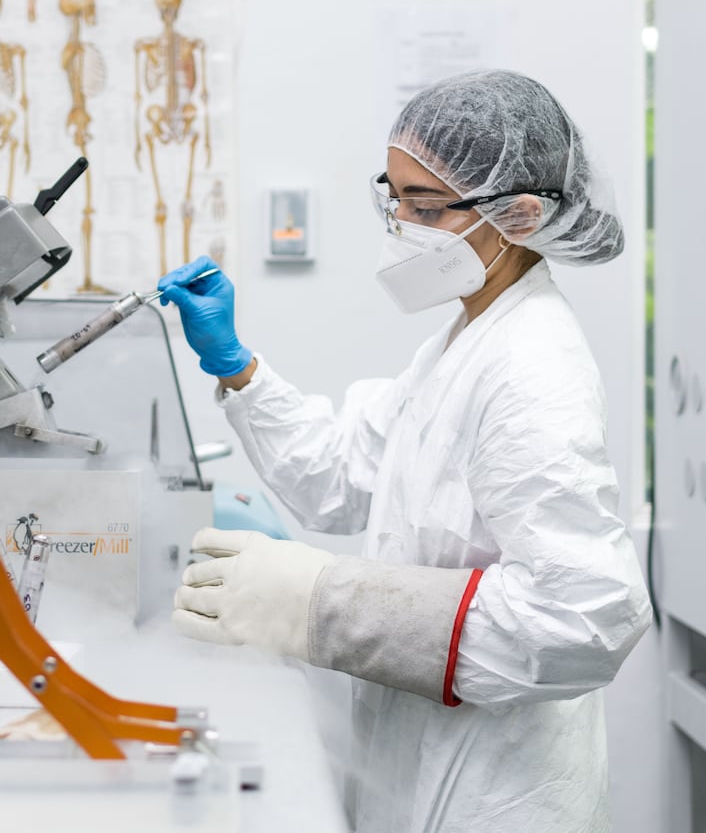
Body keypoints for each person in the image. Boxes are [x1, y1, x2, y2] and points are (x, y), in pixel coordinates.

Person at [160, 70, 652, 832]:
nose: (402, 226)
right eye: (394, 200)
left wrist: (323, 604)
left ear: (518, 215)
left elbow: (583, 616)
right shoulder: (462, 343)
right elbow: (338, 476)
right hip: (422, 763)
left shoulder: (533, 366)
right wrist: (235, 365)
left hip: (498, 794)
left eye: (424, 208)